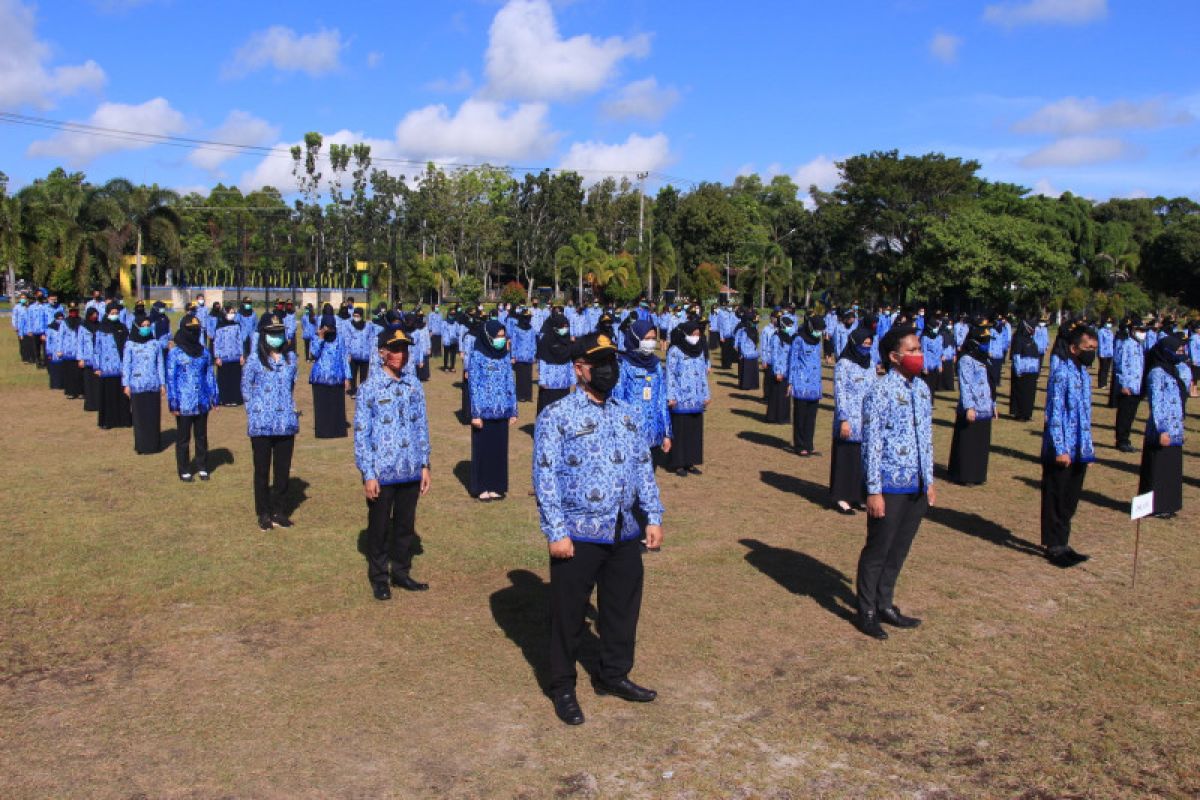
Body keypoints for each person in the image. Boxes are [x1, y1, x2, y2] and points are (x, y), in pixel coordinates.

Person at [532, 332, 665, 726]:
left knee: (621, 609)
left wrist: (653, 515)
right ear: (579, 368)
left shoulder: (626, 413)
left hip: (624, 530)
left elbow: (643, 468)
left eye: (612, 361)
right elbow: (545, 477)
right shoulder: (557, 416)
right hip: (578, 534)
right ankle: (562, 686)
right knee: (568, 614)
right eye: (599, 362)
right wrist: (555, 531)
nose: (608, 369)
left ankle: (613, 674)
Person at [855, 325, 935, 640]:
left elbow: (926, 438)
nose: (918, 355)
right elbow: (871, 444)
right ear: (894, 356)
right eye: (912, 350)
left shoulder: (922, 389)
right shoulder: (880, 391)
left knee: (900, 548)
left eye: (919, 349)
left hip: (915, 484)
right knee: (879, 549)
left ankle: (885, 602)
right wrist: (873, 491)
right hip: (889, 484)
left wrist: (929, 480)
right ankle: (867, 611)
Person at [354, 326, 432, 600]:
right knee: (379, 527)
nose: (401, 354)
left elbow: (421, 426)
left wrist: (425, 465)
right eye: (395, 349)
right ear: (382, 352)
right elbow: (362, 434)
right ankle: (379, 577)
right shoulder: (369, 389)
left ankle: (401, 571)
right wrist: (368, 474)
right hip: (383, 471)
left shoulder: (413, 385)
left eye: (404, 349)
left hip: (410, 468)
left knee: (404, 525)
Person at [1040, 324, 1098, 568]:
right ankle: (1054, 545)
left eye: (1094, 348)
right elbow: (1054, 414)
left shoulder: (1083, 374)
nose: (1092, 353)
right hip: (1061, 448)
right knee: (1056, 496)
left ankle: (1064, 541)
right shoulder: (1061, 372)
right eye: (1088, 348)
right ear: (1074, 348)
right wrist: (1060, 448)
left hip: (1080, 446)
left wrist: (1087, 447)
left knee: (1071, 498)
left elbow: (1085, 414)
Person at [241, 314, 299, 531]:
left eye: (280, 332)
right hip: (261, 424)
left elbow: (291, 386)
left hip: (285, 422)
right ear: (263, 335)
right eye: (273, 333)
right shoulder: (254, 361)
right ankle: (264, 513)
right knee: (262, 471)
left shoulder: (291, 359)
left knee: (282, 471)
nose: (277, 336)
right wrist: (254, 412)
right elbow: (246, 388)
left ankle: (280, 511)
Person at [613, 319, 672, 481]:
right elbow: (616, 403)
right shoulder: (623, 365)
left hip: (653, 436)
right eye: (647, 338)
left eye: (653, 338)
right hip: (630, 437)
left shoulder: (656, 365)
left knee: (648, 480)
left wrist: (667, 434)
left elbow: (662, 401)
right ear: (635, 338)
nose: (651, 342)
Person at [468, 319, 518, 500]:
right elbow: (473, 385)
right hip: (483, 412)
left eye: (503, 337)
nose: (501, 340)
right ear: (488, 337)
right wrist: (475, 414)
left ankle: (497, 486)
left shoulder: (505, 355)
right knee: (483, 449)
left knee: (498, 450)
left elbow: (510, 381)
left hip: (502, 410)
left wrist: (513, 410)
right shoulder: (477, 355)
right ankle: (482, 487)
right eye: (498, 337)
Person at [1138, 335, 1186, 519]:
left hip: (1174, 428)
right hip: (1161, 430)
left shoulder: (1172, 371)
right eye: (1177, 351)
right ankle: (1155, 506)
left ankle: (1168, 503)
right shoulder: (1156, 373)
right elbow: (1157, 404)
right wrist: (1161, 430)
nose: (1180, 354)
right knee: (1157, 468)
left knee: (1170, 468)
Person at [167, 314, 219, 482]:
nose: (194, 334)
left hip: (202, 400)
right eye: (191, 331)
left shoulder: (204, 353)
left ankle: (202, 466)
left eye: (196, 331)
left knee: (201, 436)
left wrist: (214, 396)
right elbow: (171, 378)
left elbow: (210, 375)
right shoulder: (175, 353)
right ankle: (184, 469)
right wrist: (173, 402)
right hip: (184, 402)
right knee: (183, 438)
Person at [830, 327, 875, 514]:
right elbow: (840, 393)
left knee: (862, 460)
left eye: (869, 345)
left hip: (866, 421)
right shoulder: (844, 364)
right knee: (846, 459)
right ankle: (841, 497)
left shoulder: (871, 363)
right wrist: (844, 419)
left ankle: (858, 496)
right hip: (849, 419)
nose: (866, 348)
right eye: (864, 345)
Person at [948, 324, 996, 486]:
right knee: (968, 443)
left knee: (981, 443)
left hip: (985, 407)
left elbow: (990, 384)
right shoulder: (966, 360)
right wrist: (969, 407)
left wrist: (993, 404)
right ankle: (965, 474)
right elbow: (965, 384)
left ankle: (978, 474)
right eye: (984, 341)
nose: (987, 344)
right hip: (972, 408)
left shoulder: (985, 359)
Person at [664, 319, 710, 477]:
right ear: (686, 334)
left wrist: (706, 394)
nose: (696, 337)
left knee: (694, 432)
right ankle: (678, 463)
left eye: (699, 334)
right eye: (694, 334)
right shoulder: (675, 351)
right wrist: (670, 396)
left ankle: (691, 461)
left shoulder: (699, 350)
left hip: (696, 398)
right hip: (680, 398)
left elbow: (703, 374)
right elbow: (669, 374)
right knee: (680, 431)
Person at [122, 316, 167, 454]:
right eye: (143, 325)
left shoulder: (155, 344)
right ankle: (141, 446)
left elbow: (160, 364)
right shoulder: (130, 344)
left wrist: (162, 383)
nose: (146, 327)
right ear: (137, 327)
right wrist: (126, 384)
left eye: (148, 325)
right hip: (137, 385)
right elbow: (126, 365)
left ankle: (154, 445)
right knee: (139, 417)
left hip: (153, 384)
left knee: (153, 416)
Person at [786, 314, 824, 456]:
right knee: (800, 416)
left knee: (811, 417)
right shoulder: (798, 339)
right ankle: (800, 444)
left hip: (814, 385)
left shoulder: (817, 340)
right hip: (801, 383)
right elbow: (793, 361)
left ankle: (809, 444)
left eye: (821, 330)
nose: (819, 332)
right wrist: (790, 382)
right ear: (810, 327)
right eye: (817, 329)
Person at [310, 311, 352, 439]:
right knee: (322, 406)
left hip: (337, 376)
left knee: (336, 406)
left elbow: (344, 357)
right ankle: (323, 431)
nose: (330, 330)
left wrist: (347, 377)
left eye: (332, 327)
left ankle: (337, 430)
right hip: (320, 377)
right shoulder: (315, 337)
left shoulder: (339, 338)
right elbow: (314, 354)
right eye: (327, 327)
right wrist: (321, 338)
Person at [94, 304, 133, 430]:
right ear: (107, 313)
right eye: (113, 312)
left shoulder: (123, 327)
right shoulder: (101, 329)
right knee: (107, 395)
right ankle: (107, 421)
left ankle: (124, 419)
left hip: (121, 367)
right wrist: (97, 367)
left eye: (117, 312)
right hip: (106, 367)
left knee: (122, 396)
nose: (115, 314)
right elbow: (97, 349)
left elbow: (128, 346)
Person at [1113, 318, 1145, 452]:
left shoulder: (1139, 345)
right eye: (1139, 330)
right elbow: (1120, 365)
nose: (1142, 333)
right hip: (1128, 386)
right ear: (1132, 330)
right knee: (1124, 415)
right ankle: (1121, 440)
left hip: (1137, 386)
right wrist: (1124, 384)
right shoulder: (1126, 344)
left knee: (1131, 415)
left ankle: (1126, 439)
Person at [536, 310, 575, 415]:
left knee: (562, 410)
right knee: (548, 410)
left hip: (564, 383)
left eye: (566, 327)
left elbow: (571, 362)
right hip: (549, 383)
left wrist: (573, 379)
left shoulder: (568, 343)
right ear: (555, 327)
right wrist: (543, 380)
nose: (565, 329)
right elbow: (542, 361)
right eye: (562, 327)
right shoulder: (546, 341)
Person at [1009, 318, 1041, 422]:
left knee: (1030, 394)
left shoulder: (1031, 339)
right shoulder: (1018, 339)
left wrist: (1036, 370)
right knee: (1020, 393)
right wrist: (1018, 370)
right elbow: (1016, 355)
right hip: (1022, 371)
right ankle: (1020, 414)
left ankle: (1027, 413)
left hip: (1031, 372)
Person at [212, 308, 245, 407]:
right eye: (230, 313)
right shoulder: (219, 327)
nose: (232, 314)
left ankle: (235, 399)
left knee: (235, 379)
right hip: (224, 358)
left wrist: (242, 355)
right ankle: (224, 399)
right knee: (224, 379)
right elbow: (217, 342)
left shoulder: (237, 326)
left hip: (235, 357)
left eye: (233, 313)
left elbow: (240, 341)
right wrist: (217, 356)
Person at [766, 316, 794, 424]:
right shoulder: (776, 337)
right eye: (788, 326)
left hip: (787, 370)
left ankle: (784, 417)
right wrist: (777, 371)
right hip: (779, 371)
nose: (790, 328)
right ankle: (774, 417)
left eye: (791, 326)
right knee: (776, 394)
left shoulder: (788, 337)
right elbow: (774, 356)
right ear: (782, 325)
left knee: (785, 395)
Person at [511, 308, 537, 402]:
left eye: (529, 317)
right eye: (526, 317)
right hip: (519, 357)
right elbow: (513, 343)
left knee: (528, 377)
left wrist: (534, 355)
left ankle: (528, 396)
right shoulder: (516, 328)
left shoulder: (531, 329)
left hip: (529, 357)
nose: (528, 319)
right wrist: (513, 356)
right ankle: (520, 396)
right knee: (520, 377)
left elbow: (533, 343)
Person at [732, 311, 761, 391]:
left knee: (753, 369)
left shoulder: (755, 328)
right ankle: (745, 385)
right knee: (746, 370)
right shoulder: (743, 330)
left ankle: (753, 384)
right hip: (747, 354)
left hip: (753, 353)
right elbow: (741, 342)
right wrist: (742, 353)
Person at [44, 310, 67, 390]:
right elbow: (48, 341)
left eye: (62, 318)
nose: (60, 320)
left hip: (63, 351)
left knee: (63, 368)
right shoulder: (50, 328)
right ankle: (55, 384)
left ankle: (63, 384)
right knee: (54, 369)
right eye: (59, 319)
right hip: (53, 350)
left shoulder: (65, 327)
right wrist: (49, 353)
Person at [1096, 318, 1115, 388]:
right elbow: (1100, 343)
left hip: (1110, 353)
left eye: (1110, 322)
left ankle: (1105, 383)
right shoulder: (1101, 331)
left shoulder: (1110, 332)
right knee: (1102, 368)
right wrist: (1101, 353)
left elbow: (1112, 342)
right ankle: (1101, 383)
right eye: (1107, 322)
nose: (1109, 324)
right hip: (1103, 353)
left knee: (1107, 369)